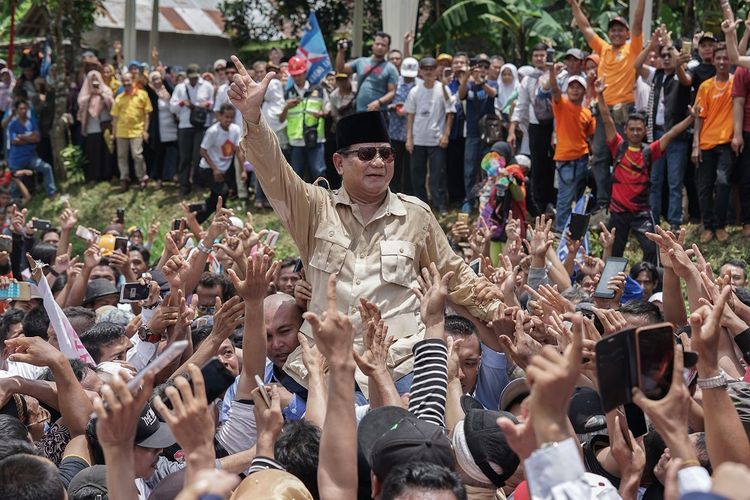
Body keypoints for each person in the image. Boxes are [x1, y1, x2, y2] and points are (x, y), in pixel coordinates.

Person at [230, 54, 503, 396]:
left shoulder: (416, 215)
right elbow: (274, 173)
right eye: (366, 154)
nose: (378, 162)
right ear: (339, 163)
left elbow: (456, 276)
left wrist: (501, 310)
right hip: (322, 371)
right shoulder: (314, 208)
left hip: (399, 369)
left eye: (386, 154)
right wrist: (253, 117)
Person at [595, 77, 696, 264]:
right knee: (613, 256)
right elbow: (607, 118)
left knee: (652, 251)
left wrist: (691, 117)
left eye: (638, 129)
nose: (634, 132)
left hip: (641, 213)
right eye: (631, 129)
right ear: (625, 130)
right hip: (618, 212)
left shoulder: (650, 151)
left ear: (644, 131)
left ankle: (654, 290)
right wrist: (600, 94)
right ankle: (610, 291)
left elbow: (672, 133)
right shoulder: (617, 146)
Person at [568, 0, 647, 213]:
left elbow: (638, 23)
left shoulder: (633, 48)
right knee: (600, 157)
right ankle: (604, 203)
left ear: (627, 33)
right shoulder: (603, 49)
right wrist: (575, 6)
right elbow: (585, 27)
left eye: (620, 30)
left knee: (624, 156)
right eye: (613, 30)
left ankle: (626, 203)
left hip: (625, 112)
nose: (616, 33)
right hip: (604, 112)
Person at [635, 28, 693, 232]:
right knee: (655, 180)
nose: (667, 58)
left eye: (671, 54)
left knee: (674, 182)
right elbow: (636, 65)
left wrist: (677, 61)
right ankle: (652, 220)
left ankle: (675, 223)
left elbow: (685, 79)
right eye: (663, 55)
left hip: (676, 136)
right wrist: (651, 45)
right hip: (655, 134)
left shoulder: (683, 74)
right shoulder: (656, 75)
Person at [693, 43, 734, 244]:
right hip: (705, 143)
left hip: (726, 143)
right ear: (713, 61)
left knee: (723, 183)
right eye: (718, 58)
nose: (721, 61)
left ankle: (719, 225)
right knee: (704, 187)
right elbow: (698, 117)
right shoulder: (705, 86)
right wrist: (695, 145)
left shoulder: (736, 83)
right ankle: (708, 225)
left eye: (725, 58)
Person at [546, 63, 595, 233]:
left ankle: (575, 231)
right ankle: (560, 230)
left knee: (580, 197)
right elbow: (554, 90)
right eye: (571, 87)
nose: (574, 90)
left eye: (578, 87)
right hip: (565, 159)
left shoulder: (587, 112)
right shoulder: (562, 104)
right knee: (565, 197)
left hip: (582, 157)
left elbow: (590, 135)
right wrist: (551, 72)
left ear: (583, 91)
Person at [405, 57, 455, 214]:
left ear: (436, 70)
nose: (428, 72)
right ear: (420, 71)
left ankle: (441, 205)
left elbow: (450, 113)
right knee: (417, 174)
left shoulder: (443, 89)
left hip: (436, 140)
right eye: (425, 69)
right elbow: (410, 116)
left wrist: (446, 135)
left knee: (437, 176)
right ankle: (421, 205)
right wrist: (409, 139)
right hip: (418, 138)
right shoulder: (414, 91)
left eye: (431, 68)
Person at [508, 44, 550, 216]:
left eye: (543, 55)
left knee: (552, 167)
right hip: (535, 126)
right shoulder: (528, 79)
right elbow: (521, 106)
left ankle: (550, 202)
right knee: (537, 166)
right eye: (536, 55)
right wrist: (512, 130)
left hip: (555, 126)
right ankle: (538, 206)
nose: (539, 58)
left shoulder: (556, 74)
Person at [458, 54, 498, 213]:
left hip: (489, 134)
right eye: (478, 66)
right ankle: (469, 199)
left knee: (488, 168)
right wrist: (467, 76)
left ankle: (487, 201)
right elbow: (461, 95)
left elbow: (493, 93)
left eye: (485, 67)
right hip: (473, 133)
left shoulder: (492, 83)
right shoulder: (468, 85)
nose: (481, 69)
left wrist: (481, 81)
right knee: (469, 169)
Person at [280, 56, 329, 182]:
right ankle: (297, 202)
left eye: (299, 74)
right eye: (294, 75)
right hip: (296, 141)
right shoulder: (287, 93)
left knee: (319, 172)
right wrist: (287, 107)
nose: (297, 78)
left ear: (305, 72)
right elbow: (280, 119)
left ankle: (324, 200)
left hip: (315, 138)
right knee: (296, 176)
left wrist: (322, 113)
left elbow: (328, 109)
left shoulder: (318, 90)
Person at [170, 64, 214, 196]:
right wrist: (183, 103)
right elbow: (172, 108)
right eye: (191, 77)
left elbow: (213, 104)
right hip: (185, 125)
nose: (194, 80)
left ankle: (198, 183)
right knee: (185, 157)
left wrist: (205, 105)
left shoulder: (207, 86)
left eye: (196, 77)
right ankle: (184, 185)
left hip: (201, 125)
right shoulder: (180, 87)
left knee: (198, 156)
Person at [196, 104, 243, 223]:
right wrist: (215, 169)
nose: (229, 120)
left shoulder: (236, 130)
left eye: (231, 117)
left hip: (224, 169)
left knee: (215, 199)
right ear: (220, 116)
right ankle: (227, 221)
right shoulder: (213, 131)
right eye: (226, 117)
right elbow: (202, 151)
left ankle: (195, 217)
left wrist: (243, 170)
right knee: (223, 193)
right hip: (208, 169)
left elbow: (238, 151)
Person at [335, 32, 399, 112]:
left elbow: (392, 92)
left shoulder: (391, 68)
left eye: (383, 45)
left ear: (388, 49)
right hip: (360, 111)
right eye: (377, 44)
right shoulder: (361, 61)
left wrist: (379, 102)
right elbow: (340, 69)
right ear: (372, 45)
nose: (380, 47)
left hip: (379, 112)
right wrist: (341, 52)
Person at [6, 100, 57, 198]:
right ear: (16, 110)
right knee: (15, 185)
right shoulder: (12, 124)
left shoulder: (32, 122)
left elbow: (37, 138)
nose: (23, 111)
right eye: (21, 109)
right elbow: (15, 141)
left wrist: (22, 137)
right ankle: (12, 206)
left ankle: (52, 193)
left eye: (25, 108)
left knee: (46, 168)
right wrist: (30, 138)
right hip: (17, 159)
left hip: (30, 157)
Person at [78, 70, 115, 183]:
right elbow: (81, 104)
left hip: (105, 124)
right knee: (93, 152)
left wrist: (101, 95)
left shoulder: (106, 90)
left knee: (108, 151)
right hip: (92, 127)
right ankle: (94, 176)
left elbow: (112, 104)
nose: (94, 81)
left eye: (96, 78)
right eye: (92, 79)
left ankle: (109, 174)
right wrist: (90, 97)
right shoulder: (85, 93)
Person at [387, 58, 417, 194]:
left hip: (413, 132)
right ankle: (394, 194)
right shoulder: (395, 83)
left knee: (411, 168)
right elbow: (386, 100)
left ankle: (410, 195)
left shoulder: (420, 85)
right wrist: (393, 107)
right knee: (395, 165)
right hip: (394, 130)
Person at [144, 70, 177, 188]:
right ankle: (159, 179)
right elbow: (145, 85)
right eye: (154, 80)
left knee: (173, 152)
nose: (157, 81)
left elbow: (172, 91)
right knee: (159, 153)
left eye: (159, 79)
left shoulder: (168, 91)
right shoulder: (153, 94)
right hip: (159, 129)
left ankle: (172, 175)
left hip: (172, 127)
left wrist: (164, 79)